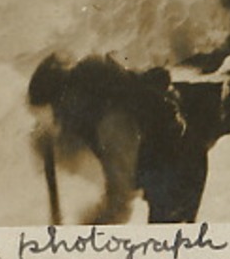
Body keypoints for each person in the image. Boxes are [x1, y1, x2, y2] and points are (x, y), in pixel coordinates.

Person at [28, 54, 209, 224]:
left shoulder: (113, 124)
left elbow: (120, 203)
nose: (56, 118)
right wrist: (47, 143)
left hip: (181, 169)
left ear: (67, 97)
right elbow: (73, 147)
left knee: (167, 247)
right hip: (165, 167)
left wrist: (89, 228)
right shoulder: (89, 108)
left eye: (54, 108)